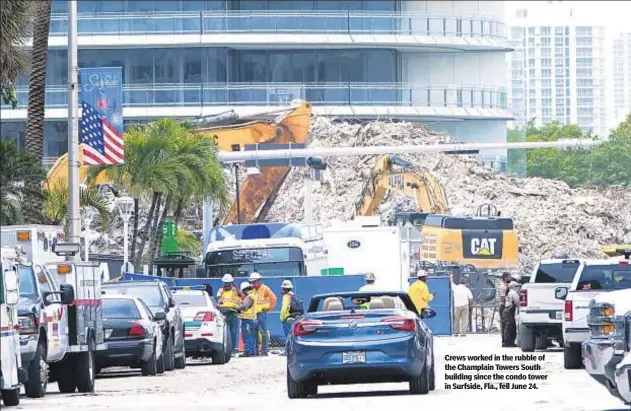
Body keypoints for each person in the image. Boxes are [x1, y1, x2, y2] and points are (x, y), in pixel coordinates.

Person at [249, 272, 277, 356]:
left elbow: (274, 298)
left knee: (263, 332)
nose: (253, 284)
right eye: (252, 282)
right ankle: (256, 350)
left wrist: (269, 308)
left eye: (254, 282)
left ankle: (264, 351)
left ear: (258, 280)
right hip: (254, 313)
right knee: (254, 332)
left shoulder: (265, 288)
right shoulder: (253, 290)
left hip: (261, 313)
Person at [217, 274, 240, 354]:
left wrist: (236, 287)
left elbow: (241, 296)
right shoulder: (221, 290)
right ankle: (226, 350)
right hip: (224, 313)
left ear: (231, 282)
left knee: (233, 332)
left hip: (233, 313)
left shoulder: (235, 290)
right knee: (224, 332)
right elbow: (219, 301)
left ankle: (233, 350)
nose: (227, 284)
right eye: (225, 283)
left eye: (228, 283)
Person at [235, 282, 258, 357]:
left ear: (245, 289)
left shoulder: (249, 297)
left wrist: (237, 307)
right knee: (252, 336)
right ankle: (252, 351)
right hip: (252, 319)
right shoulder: (253, 295)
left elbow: (245, 306)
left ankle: (247, 351)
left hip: (248, 320)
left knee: (247, 335)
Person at [502, 281, 521, 348]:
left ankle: (507, 342)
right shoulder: (513, 293)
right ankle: (508, 343)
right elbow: (518, 302)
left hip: (506, 311)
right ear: (514, 287)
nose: (518, 288)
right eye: (517, 286)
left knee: (509, 327)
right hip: (509, 311)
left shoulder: (509, 292)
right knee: (510, 327)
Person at [498, 272, 511, 344]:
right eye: (509, 277)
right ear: (505, 278)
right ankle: (505, 341)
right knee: (505, 324)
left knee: (506, 324)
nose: (510, 279)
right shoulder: (503, 287)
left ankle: (506, 340)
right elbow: (502, 298)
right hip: (504, 306)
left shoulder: (506, 285)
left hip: (505, 306)